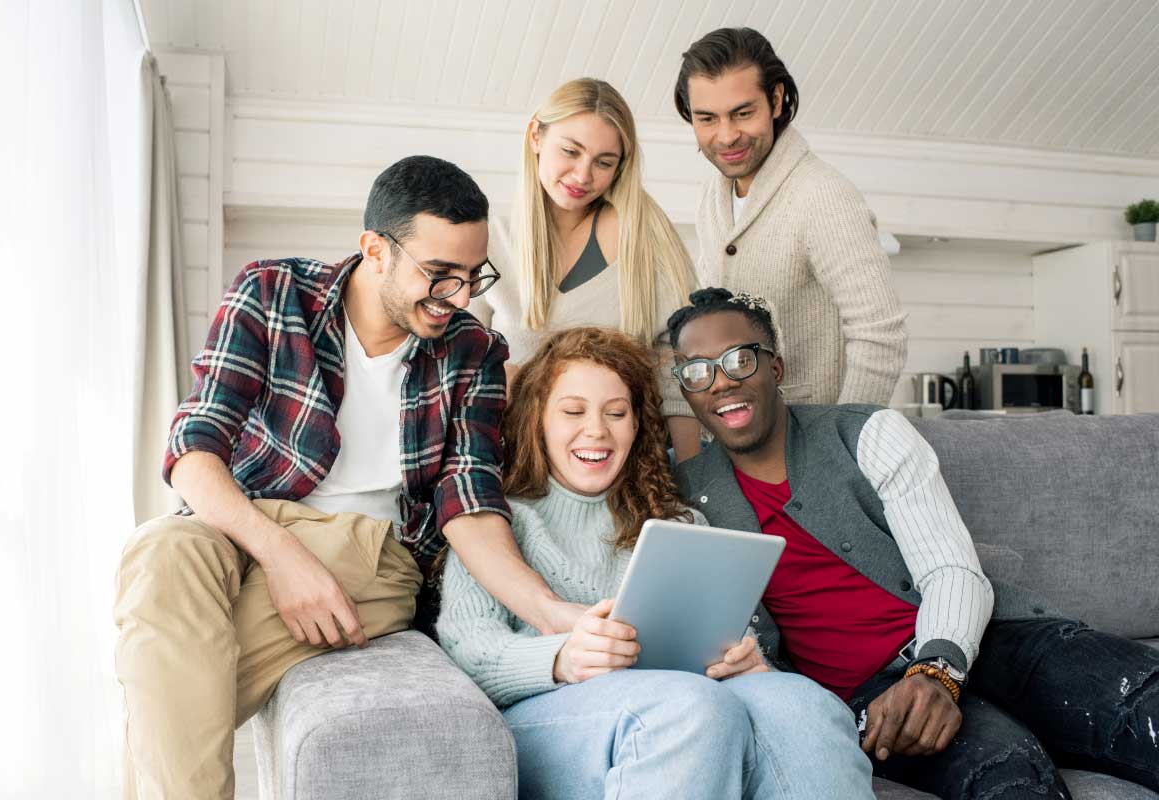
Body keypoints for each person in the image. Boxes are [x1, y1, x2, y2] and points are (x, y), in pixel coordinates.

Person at [113, 156, 589, 799]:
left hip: (373, 550)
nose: (458, 297)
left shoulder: (473, 351)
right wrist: (282, 557)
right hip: (248, 526)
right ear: (375, 249)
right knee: (159, 549)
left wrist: (554, 613)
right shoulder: (272, 293)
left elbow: (470, 503)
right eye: (439, 274)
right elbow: (194, 451)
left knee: (164, 689)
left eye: (473, 277)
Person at [668, 287, 1159, 799]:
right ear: (686, 388)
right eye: (697, 370)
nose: (721, 381)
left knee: (1143, 704)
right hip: (875, 698)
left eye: (739, 359)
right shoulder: (687, 499)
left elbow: (951, 570)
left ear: (776, 368)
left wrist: (937, 670)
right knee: (1009, 780)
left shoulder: (867, 434)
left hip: (992, 640)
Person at [437, 326, 874, 800]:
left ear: (637, 425)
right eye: (573, 411)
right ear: (536, 420)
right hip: (550, 714)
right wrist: (560, 658)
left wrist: (747, 658)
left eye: (616, 413)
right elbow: (470, 650)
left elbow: (721, 634)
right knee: (690, 706)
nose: (597, 430)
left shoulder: (681, 521)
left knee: (806, 703)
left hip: (683, 697)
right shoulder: (494, 524)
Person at [469, 77, 702, 461]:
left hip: (618, 468)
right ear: (535, 136)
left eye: (603, 162)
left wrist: (694, 478)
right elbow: (460, 372)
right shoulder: (489, 238)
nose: (582, 175)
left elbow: (678, 372)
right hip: (509, 463)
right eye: (570, 151)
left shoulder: (645, 236)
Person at [674, 27, 907, 409]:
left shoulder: (822, 195)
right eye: (707, 119)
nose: (726, 135)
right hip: (738, 444)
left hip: (812, 441)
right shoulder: (709, 198)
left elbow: (881, 335)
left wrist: (842, 441)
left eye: (743, 113)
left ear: (777, 100)